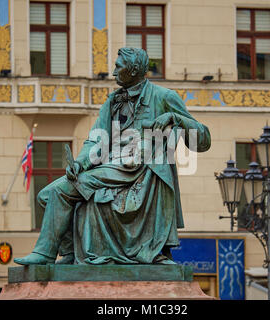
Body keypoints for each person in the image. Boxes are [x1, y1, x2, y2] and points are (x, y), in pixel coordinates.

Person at [14, 47, 211, 265]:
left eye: (118, 67)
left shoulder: (164, 97)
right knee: (45, 195)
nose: (113, 72)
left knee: (59, 192)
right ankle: (69, 252)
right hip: (112, 167)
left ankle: (44, 254)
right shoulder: (113, 102)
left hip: (138, 170)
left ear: (134, 69)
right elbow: (97, 140)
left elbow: (202, 140)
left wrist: (174, 118)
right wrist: (80, 163)